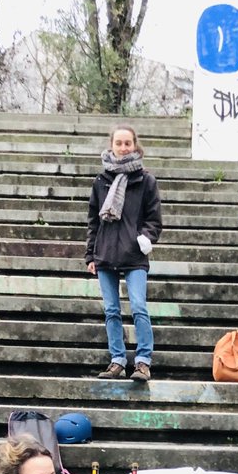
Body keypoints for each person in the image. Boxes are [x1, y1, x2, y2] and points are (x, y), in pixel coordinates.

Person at [85, 123, 163, 383]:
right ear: (112, 146)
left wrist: (145, 238)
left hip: (134, 255)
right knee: (111, 310)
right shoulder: (101, 181)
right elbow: (93, 221)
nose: (123, 147)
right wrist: (90, 255)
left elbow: (154, 219)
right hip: (105, 253)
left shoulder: (146, 180)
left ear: (134, 145)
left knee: (139, 307)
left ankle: (143, 362)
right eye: (118, 143)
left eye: (127, 143)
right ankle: (117, 360)